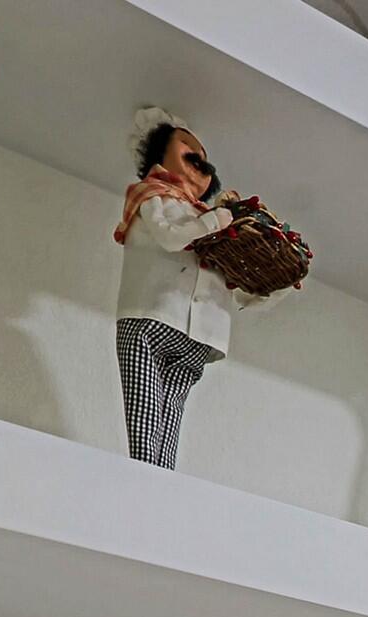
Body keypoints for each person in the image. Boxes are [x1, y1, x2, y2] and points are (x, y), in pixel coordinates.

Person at [112, 112, 263, 470]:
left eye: (204, 155)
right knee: (146, 417)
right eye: (188, 147)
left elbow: (231, 285)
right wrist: (214, 221)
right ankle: (147, 483)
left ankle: (161, 486)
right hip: (150, 319)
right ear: (156, 152)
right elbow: (169, 236)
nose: (200, 157)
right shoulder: (153, 197)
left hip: (196, 337)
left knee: (170, 419)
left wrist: (268, 289)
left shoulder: (207, 223)